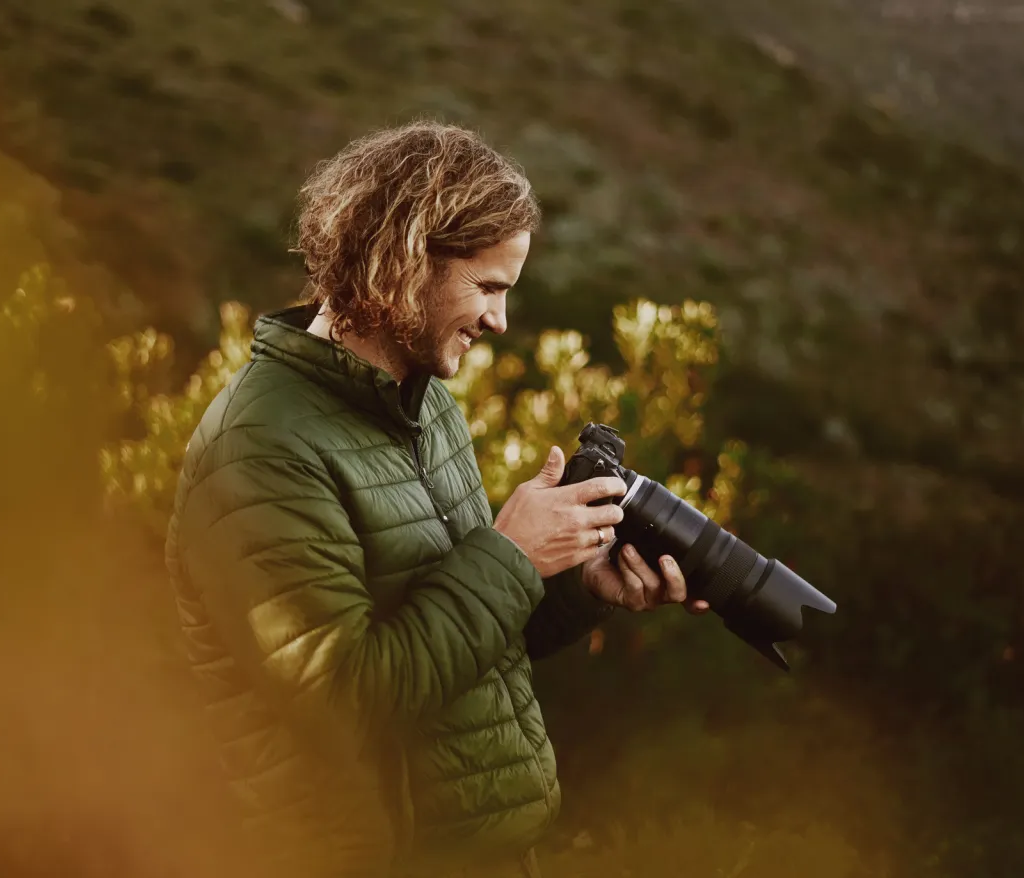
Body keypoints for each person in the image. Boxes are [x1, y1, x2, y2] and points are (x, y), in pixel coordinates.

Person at [164, 121, 707, 878]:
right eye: (487, 288)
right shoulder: (259, 448)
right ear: (404, 263)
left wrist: (579, 584)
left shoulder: (423, 404)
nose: (499, 321)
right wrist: (511, 554)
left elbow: (463, 652)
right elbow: (343, 704)